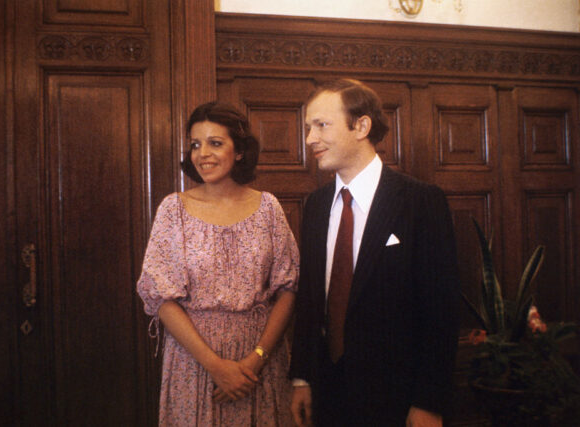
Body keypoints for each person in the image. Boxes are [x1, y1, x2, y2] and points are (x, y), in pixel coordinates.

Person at [289, 79, 460, 426]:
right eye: (309, 128)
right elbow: (310, 297)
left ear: (361, 126)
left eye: (321, 125)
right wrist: (302, 377)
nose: (309, 139)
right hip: (329, 394)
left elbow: (441, 311)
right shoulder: (316, 206)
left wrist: (429, 402)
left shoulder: (420, 202)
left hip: (396, 400)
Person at [137, 101, 299, 426]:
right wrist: (214, 366)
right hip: (193, 360)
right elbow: (161, 298)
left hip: (258, 362)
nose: (202, 154)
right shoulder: (174, 210)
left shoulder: (268, 208)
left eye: (215, 142)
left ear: (239, 151)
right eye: (196, 144)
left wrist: (255, 361)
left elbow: (288, 289)